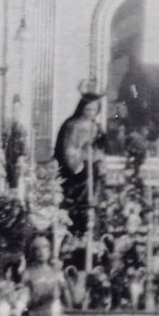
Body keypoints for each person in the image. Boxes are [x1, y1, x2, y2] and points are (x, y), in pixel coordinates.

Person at [54, 88, 105, 236]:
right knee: (78, 203)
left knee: (93, 200)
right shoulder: (72, 125)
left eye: (94, 109)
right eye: (88, 109)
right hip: (78, 173)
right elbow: (68, 151)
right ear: (82, 108)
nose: (91, 112)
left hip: (93, 171)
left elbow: (99, 148)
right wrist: (81, 161)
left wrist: (97, 157)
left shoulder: (96, 127)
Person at [20, 236, 69, 316]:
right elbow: (23, 303)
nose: (41, 251)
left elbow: (68, 302)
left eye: (44, 247)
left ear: (50, 250)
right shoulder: (27, 273)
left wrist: (65, 285)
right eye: (37, 248)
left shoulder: (57, 273)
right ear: (32, 252)